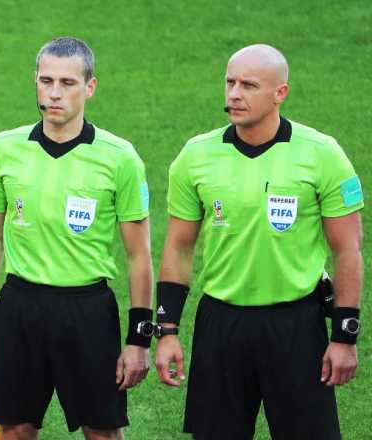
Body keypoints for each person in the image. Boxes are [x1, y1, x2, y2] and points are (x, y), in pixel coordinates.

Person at [154, 44, 364, 440]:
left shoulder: (322, 155)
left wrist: (344, 336)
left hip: (296, 326)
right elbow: (178, 248)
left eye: (248, 85)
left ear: (279, 93)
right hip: (221, 324)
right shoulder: (195, 156)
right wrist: (166, 331)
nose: (233, 94)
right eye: (229, 82)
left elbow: (347, 249)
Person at [0, 37, 153, 440]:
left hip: (87, 309)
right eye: (45, 80)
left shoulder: (120, 158)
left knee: (103, 432)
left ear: (90, 87)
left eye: (67, 83)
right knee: (13, 429)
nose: (53, 93)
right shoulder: (5, 148)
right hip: (18, 306)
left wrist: (139, 337)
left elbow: (139, 256)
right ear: (34, 80)